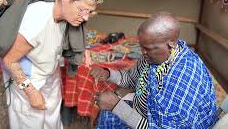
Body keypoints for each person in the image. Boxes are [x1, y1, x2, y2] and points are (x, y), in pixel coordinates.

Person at [3, 0, 103, 129]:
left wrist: (82, 50)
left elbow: (58, 38)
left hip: (48, 71)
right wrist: (30, 92)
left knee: (53, 119)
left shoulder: (67, 14)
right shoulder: (36, 20)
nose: (86, 17)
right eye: (82, 10)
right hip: (28, 76)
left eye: (89, 12)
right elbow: (9, 60)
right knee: (30, 122)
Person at [90, 12, 218, 128]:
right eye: (141, 47)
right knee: (106, 116)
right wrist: (107, 74)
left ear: (171, 43)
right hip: (147, 114)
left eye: (149, 48)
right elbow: (131, 79)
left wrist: (116, 106)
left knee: (110, 115)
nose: (143, 53)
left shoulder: (183, 77)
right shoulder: (153, 58)